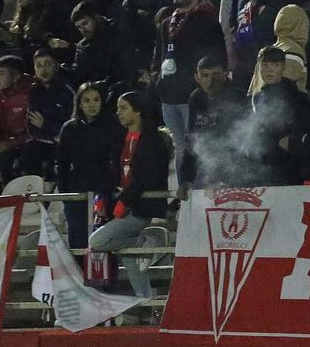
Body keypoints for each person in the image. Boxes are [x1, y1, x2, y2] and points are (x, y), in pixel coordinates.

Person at [89, 92, 170, 298]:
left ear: (138, 111)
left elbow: (146, 178)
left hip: (142, 208)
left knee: (97, 241)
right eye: (118, 108)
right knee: (130, 259)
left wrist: (124, 201)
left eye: (123, 108)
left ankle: (141, 241)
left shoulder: (153, 140)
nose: (118, 113)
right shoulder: (121, 139)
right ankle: (146, 300)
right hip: (128, 205)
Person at [154, 0, 223, 177]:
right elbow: (159, 56)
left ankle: (200, 186)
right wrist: (158, 81)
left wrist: (208, 86)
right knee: (179, 145)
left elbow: (219, 57)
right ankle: (184, 187)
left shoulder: (206, 21)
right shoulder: (167, 22)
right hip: (169, 95)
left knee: (197, 144)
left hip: (192, 94)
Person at [55, 82, 122, 252]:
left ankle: (107, 271)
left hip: (104, 189)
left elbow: (117, 159)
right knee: (78, 239)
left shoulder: (112, 126)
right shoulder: (69, 128)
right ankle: (79, 269)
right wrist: (65, 192)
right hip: (76, 190)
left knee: (103, 240)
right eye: (86, 100)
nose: (92, 104)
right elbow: (62, 163)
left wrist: (111, 185)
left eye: (96, 99)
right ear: (79, 103)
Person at [182, 57, 247, 191]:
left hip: (236, 170)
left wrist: (224, 178)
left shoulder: (236, 97)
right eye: (205, 75)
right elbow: (192, 138)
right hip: (207, 165)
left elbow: (240, 142)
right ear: (197, 78)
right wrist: (187, 178)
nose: (210, 81)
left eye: (215, 75)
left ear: (225, 74)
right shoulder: (196, 98)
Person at [248, 46, 309, 185]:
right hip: (265, 165)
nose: (269, 70)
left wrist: (291, 142)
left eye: (275, 65)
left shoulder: (297, 97)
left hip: (290, 166)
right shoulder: (258, 97)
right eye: (265, 65)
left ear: (283, 67)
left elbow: (305, 128)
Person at [22, 48, 73, 182]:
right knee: (30, 147)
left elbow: (72, 126)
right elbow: (32, 126)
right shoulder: (34, 92)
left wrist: (46, 125)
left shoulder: (67, 90)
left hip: (66, 142)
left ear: (56, 65)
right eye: (39, 65)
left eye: (48, 64)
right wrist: (51, 136)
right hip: (47, 140)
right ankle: (32, 190)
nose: (43, 69)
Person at [0, 55, 34, 183]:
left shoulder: (33, 93)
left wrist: (9, 144)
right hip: (5, 142)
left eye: (1, 74)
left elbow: (35, 132)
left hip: (25, 143)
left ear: (16, 76)